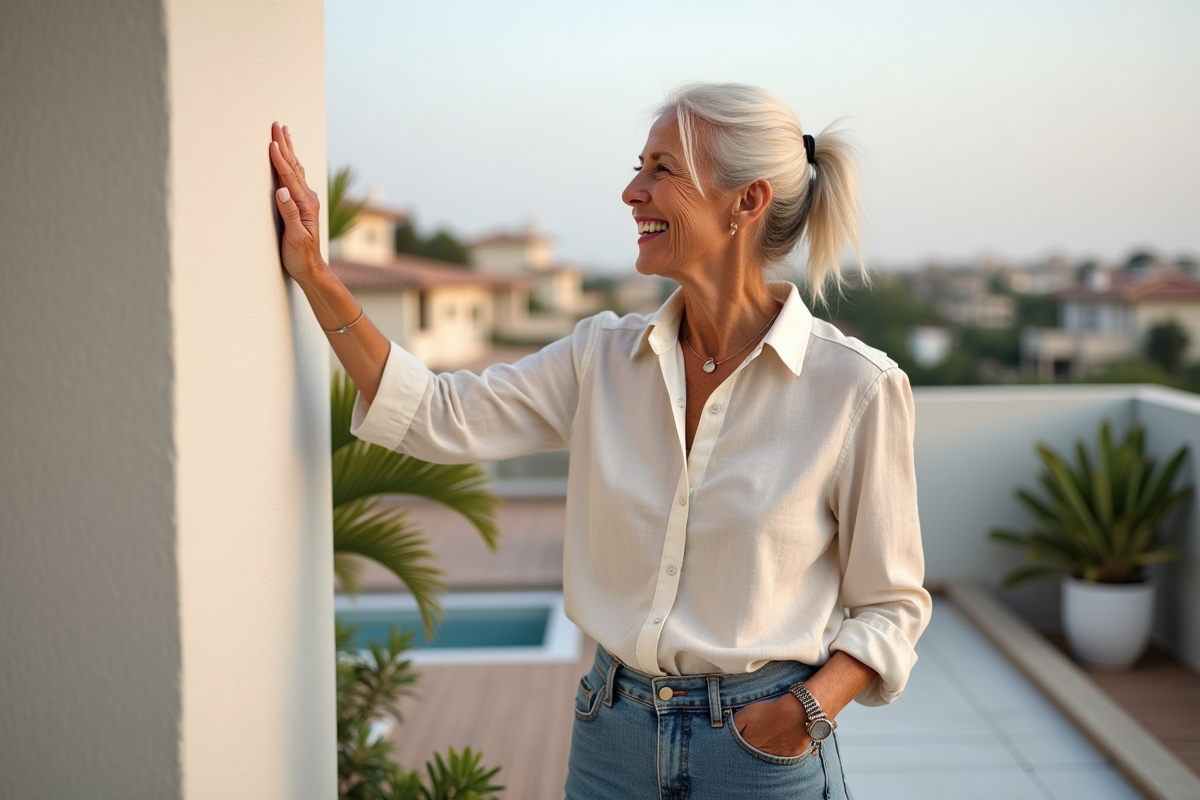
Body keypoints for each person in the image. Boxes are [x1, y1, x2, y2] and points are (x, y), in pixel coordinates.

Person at [269, 82, 931, 799]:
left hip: (760, 752)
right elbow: (436, 412)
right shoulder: (601, 358)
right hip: (610, 737)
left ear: (746, 202)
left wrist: (802, 714)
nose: (631, 191)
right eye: (638, 165)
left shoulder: (855, 388)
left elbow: (892, 604)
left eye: (662, 169)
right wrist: (316, 276)